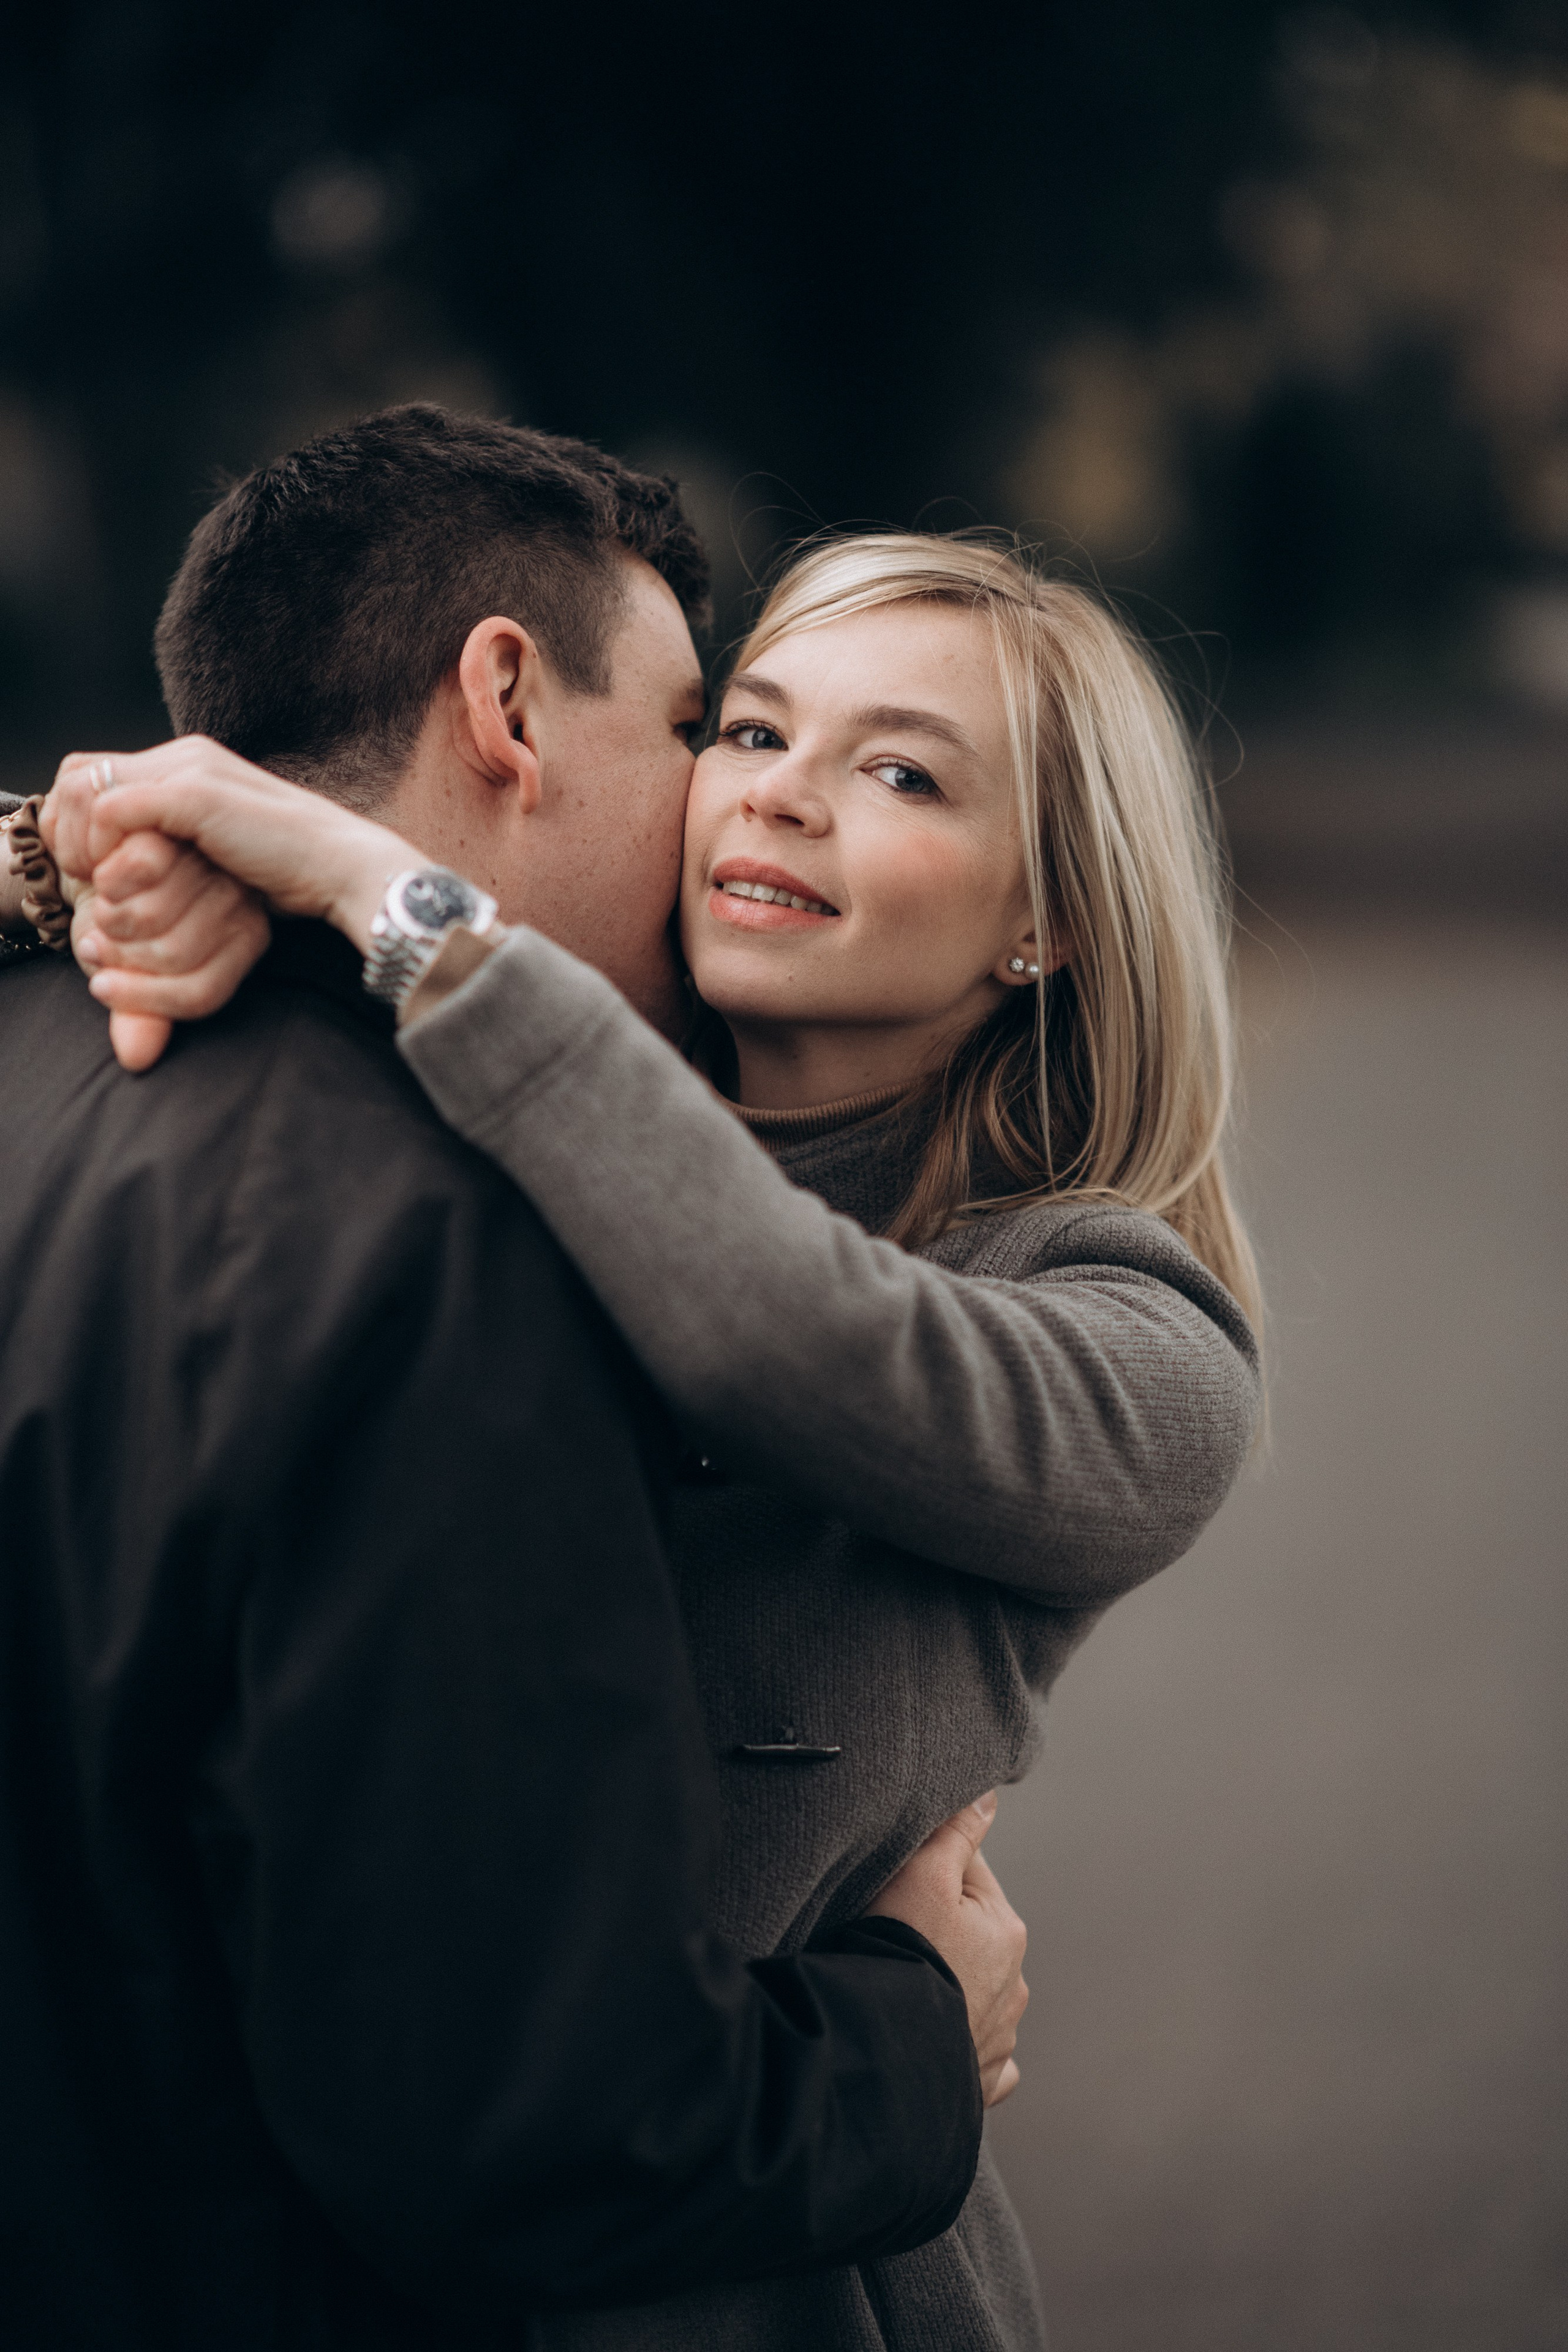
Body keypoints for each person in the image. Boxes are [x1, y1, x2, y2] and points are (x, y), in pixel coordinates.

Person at [42, 420, 1262, 2351]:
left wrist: (390, 891)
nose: (778, 801)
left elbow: (792, 1327)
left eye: (905, 773)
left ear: (1048, 921)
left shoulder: (1134, 1346)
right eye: (749, 732)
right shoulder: (518, 1101)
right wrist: (82, 851)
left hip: (793, 2279)